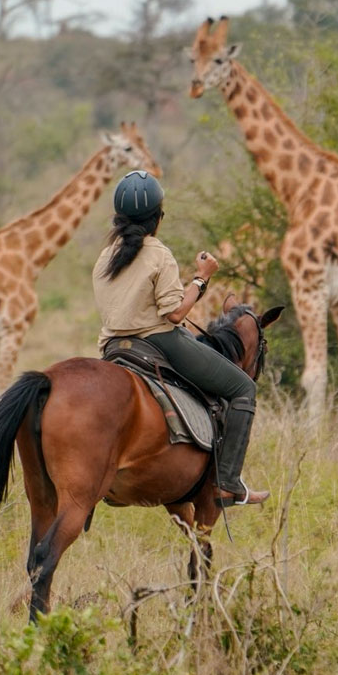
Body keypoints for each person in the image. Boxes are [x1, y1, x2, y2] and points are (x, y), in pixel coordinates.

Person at [93, 171, 268, 507]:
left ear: (119, 218)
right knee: (244, 389)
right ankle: (228, 482)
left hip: (112, 347)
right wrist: (202, 280)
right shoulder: (158, 254)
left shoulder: (105, 257)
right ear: (157, 219)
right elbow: (174, 315)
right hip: (159, 341)